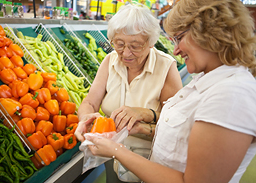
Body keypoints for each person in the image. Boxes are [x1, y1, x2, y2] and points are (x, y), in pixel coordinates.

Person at [84, 0, 256, 182]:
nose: (176, 50)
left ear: (209, 33)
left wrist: (115, 150)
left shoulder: (232, 95)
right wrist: (141, 127)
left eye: (179, 38)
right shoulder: (208, 81)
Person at [74, 3, 182, 183]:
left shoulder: (166, 66)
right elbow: (90, 103)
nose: (125, 53)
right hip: (110, 157)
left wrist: (146, 115)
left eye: (135, 45)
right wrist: (85, 118)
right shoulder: (110, 61)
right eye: (119, 44)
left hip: (150, 162)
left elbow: (177, 125)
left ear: (150, 42)